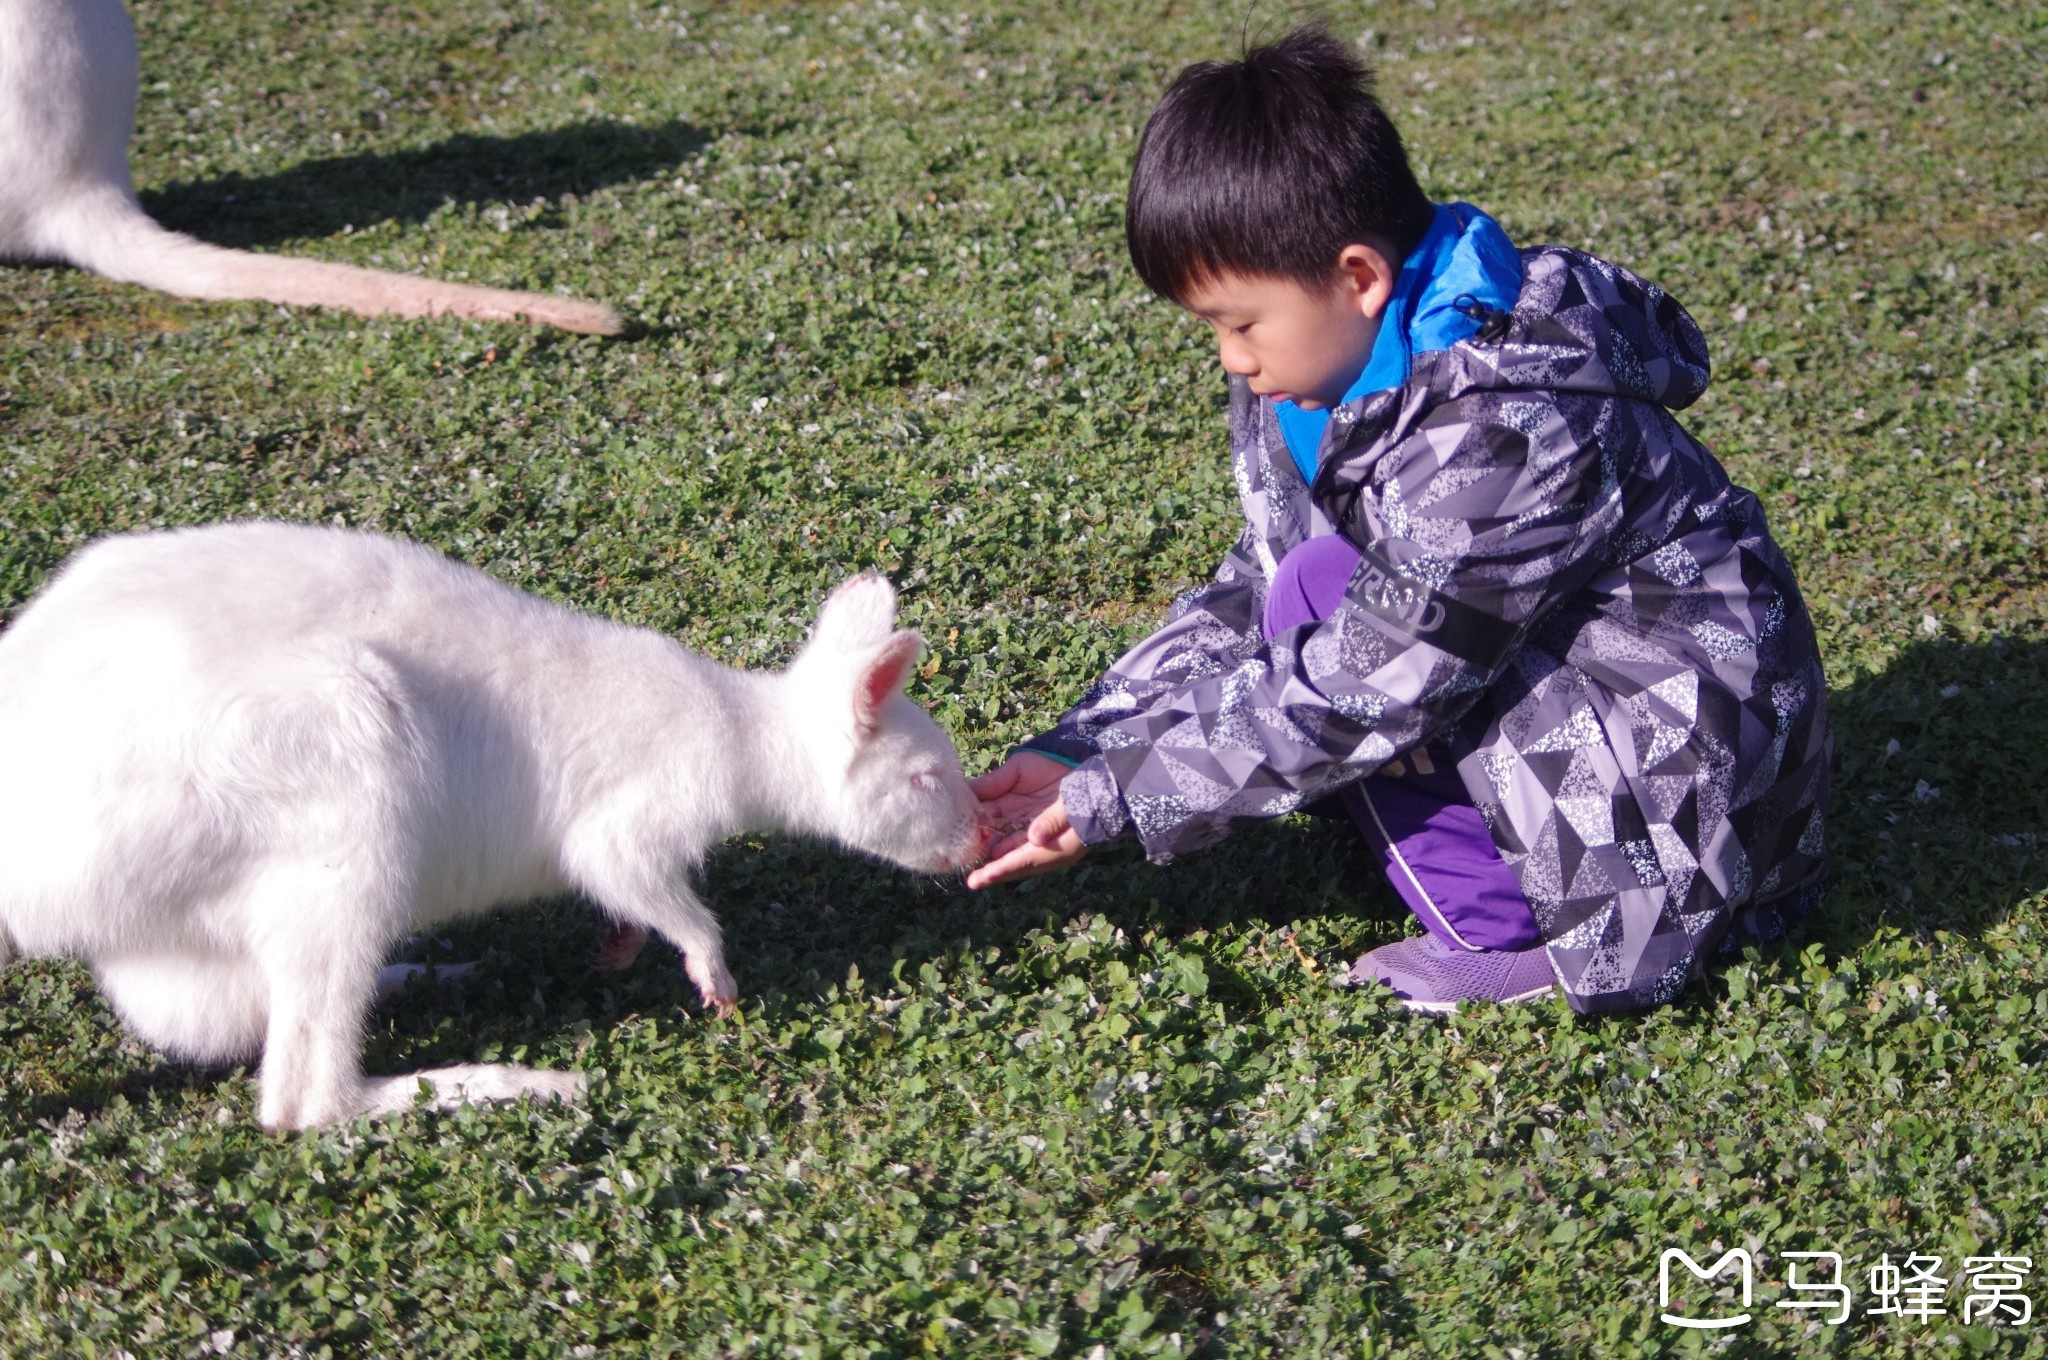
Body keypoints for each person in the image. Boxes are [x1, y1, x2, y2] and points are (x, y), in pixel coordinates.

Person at [965, 25, 1832, 1015]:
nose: (1227, 359)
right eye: (1206, 326)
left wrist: (1120, 797)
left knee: (1338, 615)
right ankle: (1496, 863)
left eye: (1238, 322)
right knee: (1304, 584)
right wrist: (1086, 746)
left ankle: (1531, 935)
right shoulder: (1318, 372)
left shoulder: (1507, 426)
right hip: (1555, 708)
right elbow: (1256, 590)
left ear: (1359, 277)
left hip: (1682, 804)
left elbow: (1374, 679)